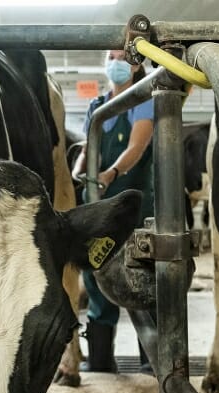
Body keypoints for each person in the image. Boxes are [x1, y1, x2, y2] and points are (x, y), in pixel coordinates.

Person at [72, 50, 155, 374]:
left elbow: (137, 146)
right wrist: (80, 170)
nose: (116, 62)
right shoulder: (96, 106)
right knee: (98, 281)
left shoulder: (143, 100)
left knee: (146, 281)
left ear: (137, 65)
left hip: (137, 210)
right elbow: (87, 148)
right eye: (112, 55)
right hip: (99, 210)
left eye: (124, 57)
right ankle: (101, 363)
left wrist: (110, 173)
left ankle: (153, 365)